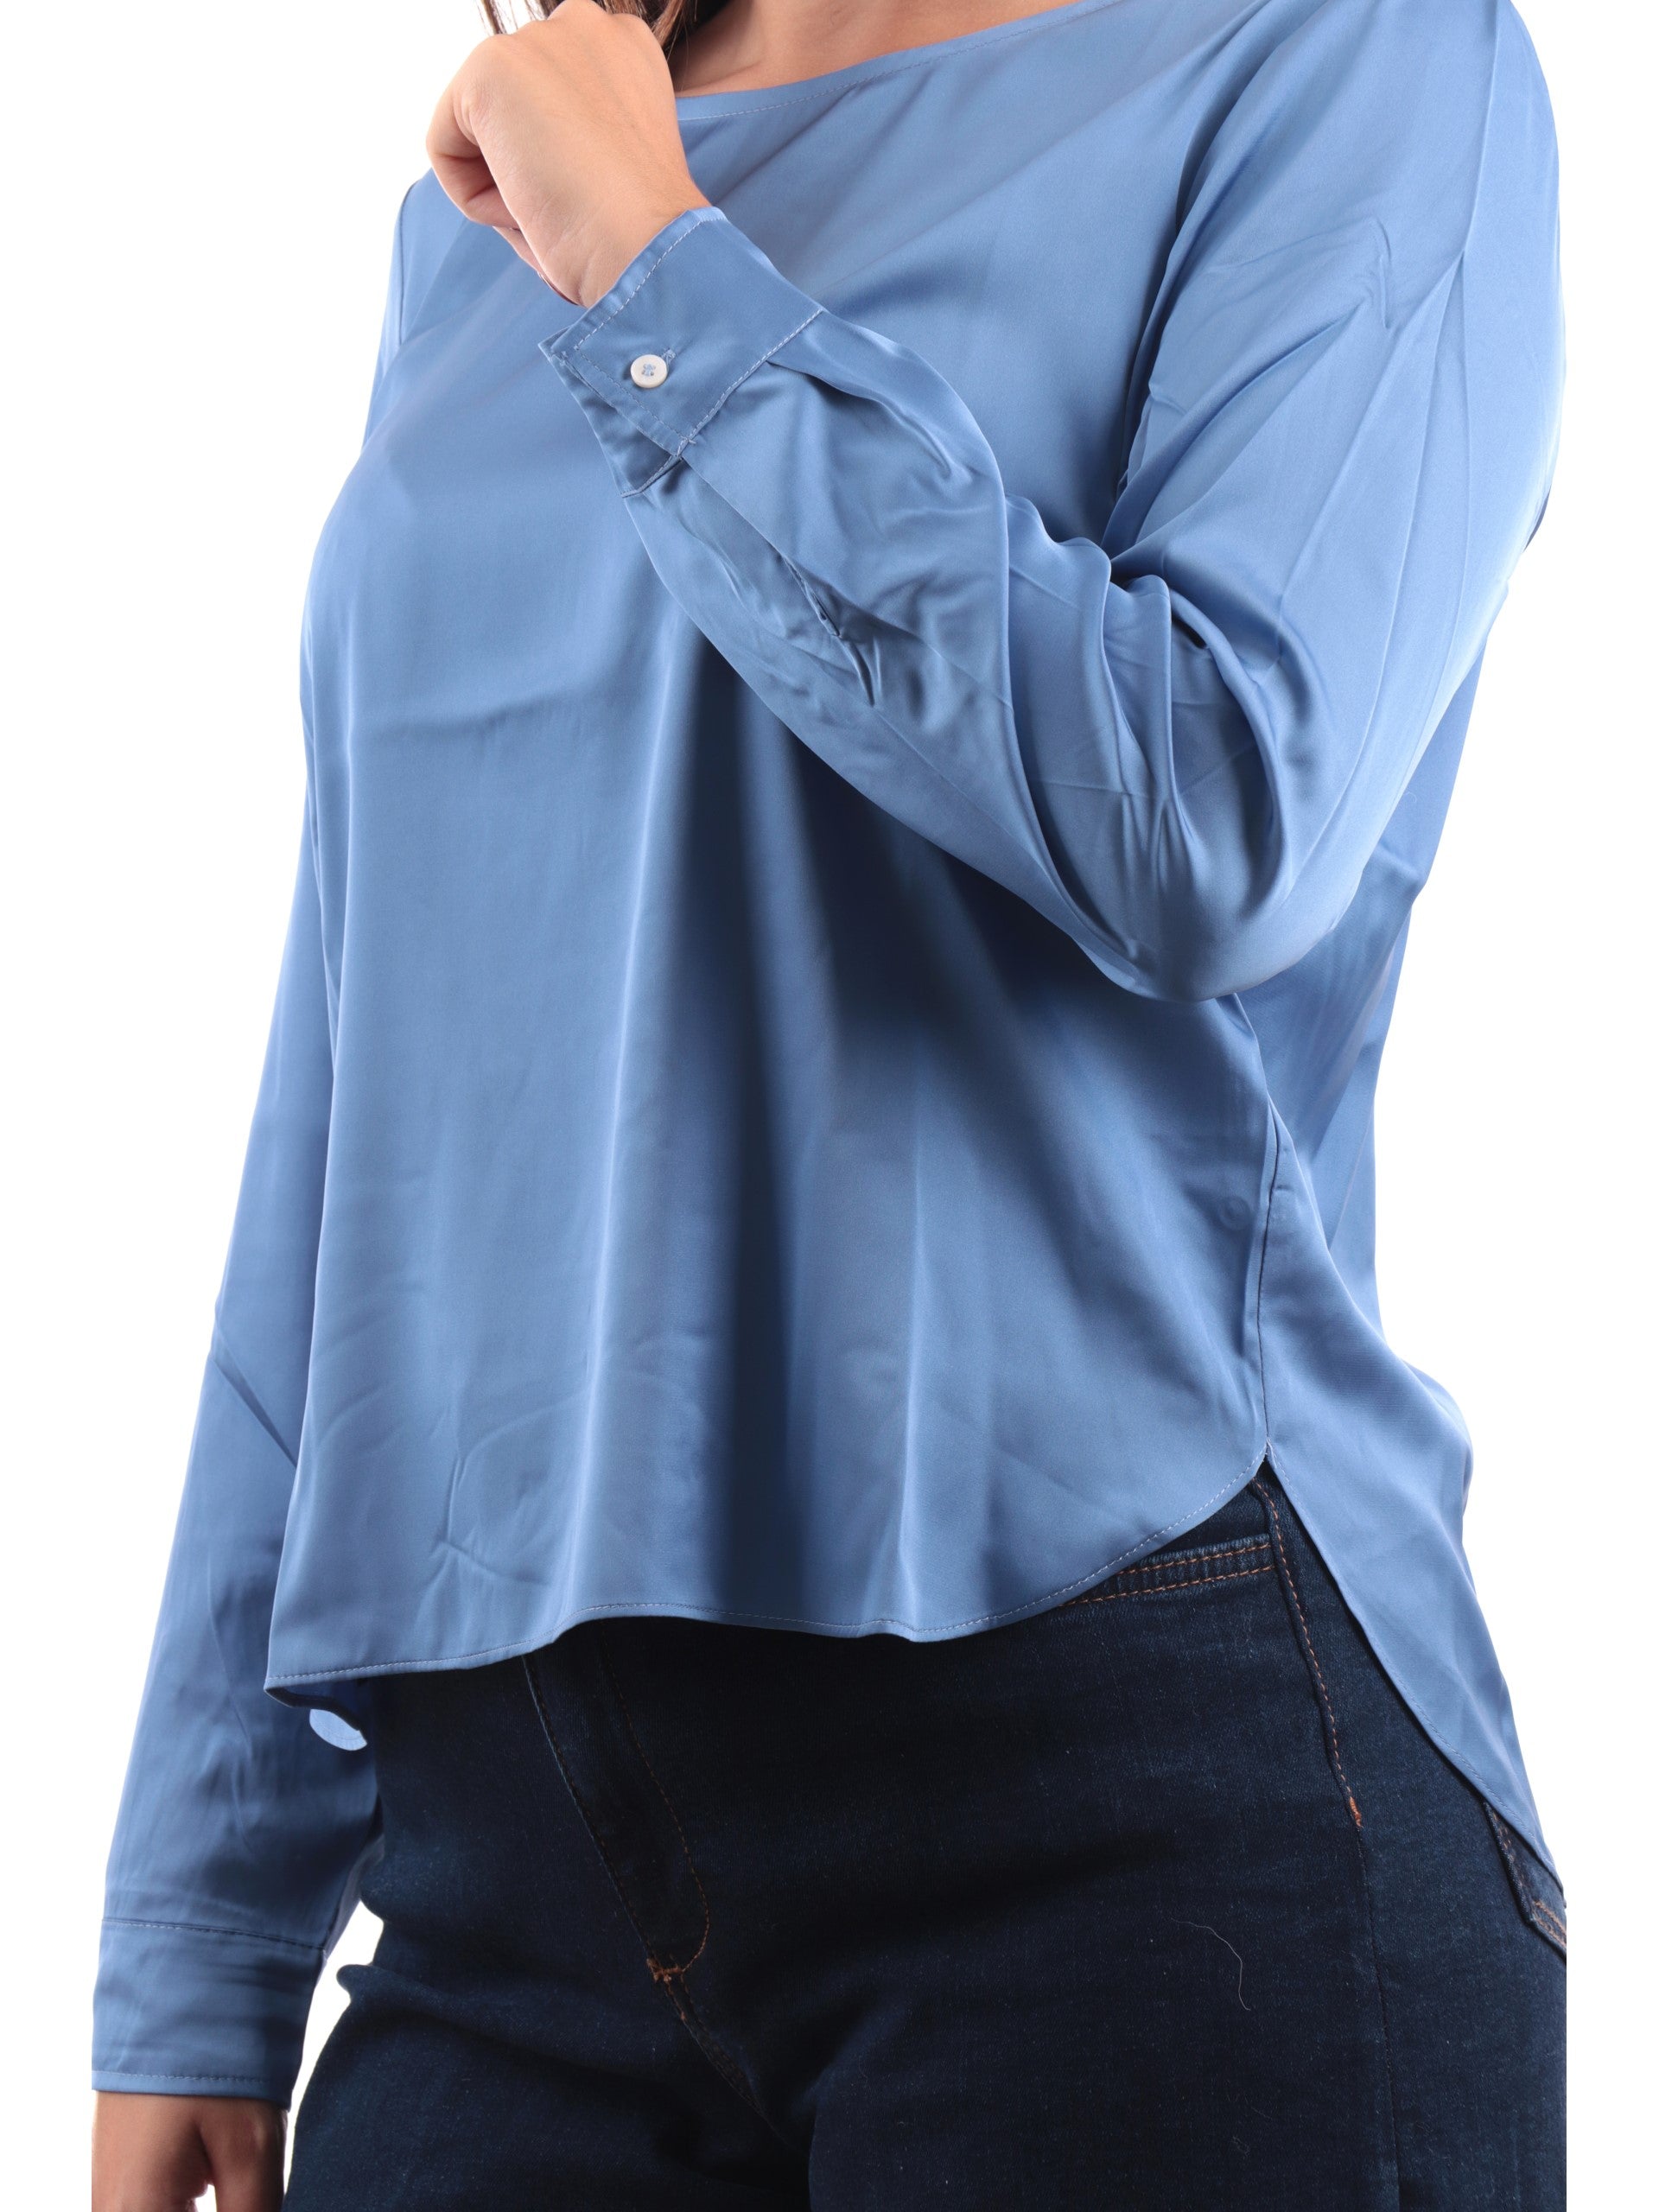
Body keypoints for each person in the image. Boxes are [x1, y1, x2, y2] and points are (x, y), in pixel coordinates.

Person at [90, 0, 1568, 2204]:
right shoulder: (525, 181)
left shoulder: (1349, 60)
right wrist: (209, 1902)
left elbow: (1214, 813)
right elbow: (367, 1070)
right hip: (512, 1864)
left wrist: (657, 274)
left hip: (1136, 1788)